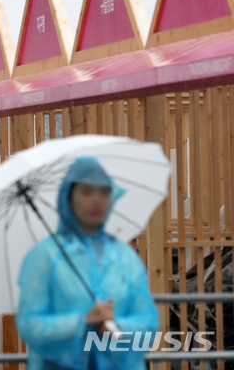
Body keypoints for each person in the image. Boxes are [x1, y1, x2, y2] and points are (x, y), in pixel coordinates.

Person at [16, 157, 159, 370]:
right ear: (68, 197)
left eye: (104, 192)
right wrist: (82, 321)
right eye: (86, 191)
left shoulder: (125, 257)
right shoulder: (44, 256)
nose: (96, 200)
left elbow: (148, 322)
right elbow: (30, 325)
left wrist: (118, 327)